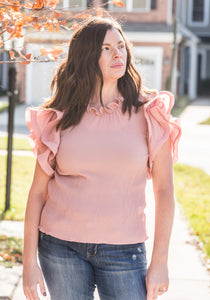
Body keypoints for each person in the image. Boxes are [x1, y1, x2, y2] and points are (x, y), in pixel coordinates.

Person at [22, 16, 181, 300]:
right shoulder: (59, 117)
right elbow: (36, 194)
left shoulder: (150, 114)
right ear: (86, 56)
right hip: (60, 248)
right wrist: (29, 264)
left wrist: (160, 260)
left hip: (124, 250)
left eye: (120, 45)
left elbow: (165, 190)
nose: (117, 53)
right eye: (106, 48)